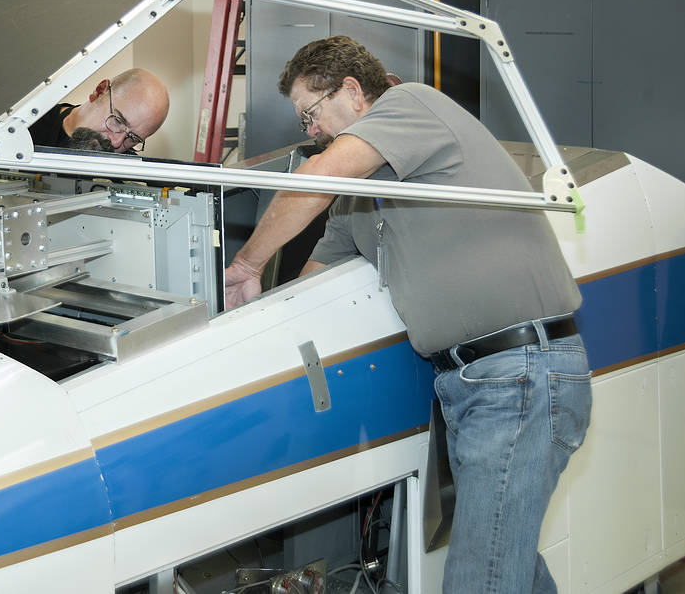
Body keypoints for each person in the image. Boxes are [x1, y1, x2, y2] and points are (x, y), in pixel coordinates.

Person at [224, 36, 592, 594]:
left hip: (518, 372)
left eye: (311, 113)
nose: (310, 133)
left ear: (352, 90)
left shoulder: (412, 103)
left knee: (482, 577)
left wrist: (247, 263)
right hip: (470, 386)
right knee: (505, 565)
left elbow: (318, 179)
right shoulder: (360, 197)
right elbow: (310, 286)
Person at [30, 68, 169, 154]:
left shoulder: (125, 175)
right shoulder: (26, 127)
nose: (116, 142)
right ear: (100, 91)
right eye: (117, 121)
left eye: (133, 138)